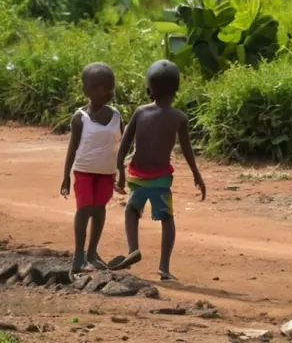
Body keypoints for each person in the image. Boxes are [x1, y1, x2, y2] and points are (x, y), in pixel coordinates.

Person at [110, 59, 205, 281]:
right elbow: (188, 149)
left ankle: (133, 248)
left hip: (139, 176)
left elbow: (124, 144)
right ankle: (164, 267)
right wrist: (196, 174)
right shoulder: (179, 117)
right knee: (167, 219)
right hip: (162, 179)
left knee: (131, 211)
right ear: (176, 90)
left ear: (148, 90)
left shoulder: (140, 112)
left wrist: (120, 171)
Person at [60, 62, 123, 275]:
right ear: (86, 90)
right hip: (84, 171)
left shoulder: (116, 116)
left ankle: (92, 253)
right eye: (99, 87)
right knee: (84, 209)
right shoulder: (80, 118)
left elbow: (120, 146)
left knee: (99, 209)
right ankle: (79, 254)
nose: (106, 92)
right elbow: (72, 147)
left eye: (109, 87)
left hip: (106, 173)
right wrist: (66, 176)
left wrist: (121, 173)